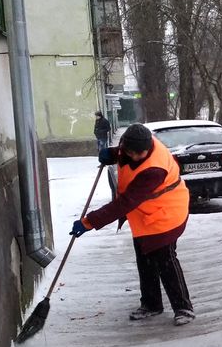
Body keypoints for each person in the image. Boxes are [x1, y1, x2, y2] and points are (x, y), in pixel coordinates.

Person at [69, 124, 196, 326]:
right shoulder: (131, 145)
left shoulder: (154, 169)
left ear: (148, 148)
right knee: (144, 258)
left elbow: (125, 202)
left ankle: (183, 307)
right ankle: (151, 304)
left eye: (141, 153)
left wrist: (89, 222)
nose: (136, 157)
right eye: (130, 153)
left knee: (165, 259)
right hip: (145, 213)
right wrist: (112, 154)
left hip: (167, 212)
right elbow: (126, 154)